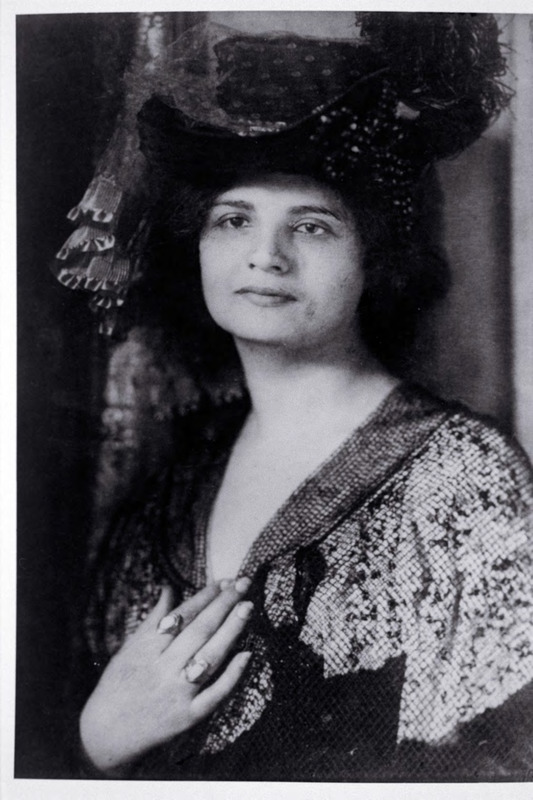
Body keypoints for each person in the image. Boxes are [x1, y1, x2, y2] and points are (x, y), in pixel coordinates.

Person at [54, 13, 533, 781]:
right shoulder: (167, 493)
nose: (265, 256)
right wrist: (99, 742)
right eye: (233, 219)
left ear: (375, 255)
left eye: (310, 227)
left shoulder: (462, 481)